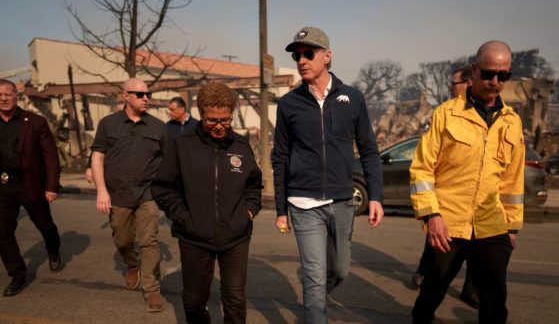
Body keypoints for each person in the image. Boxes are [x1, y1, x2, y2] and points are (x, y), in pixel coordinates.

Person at [272, 27, 384, 323]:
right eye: (297, 55)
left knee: (339, 271)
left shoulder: (353, 98)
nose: (301, 60)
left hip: (342, 202)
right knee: (314, 277)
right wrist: (281, 208)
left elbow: (369, 150)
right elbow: (279, 157)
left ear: (327, 56)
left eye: (309, 53)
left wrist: (376, 197)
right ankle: (315, 309)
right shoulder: (288, 104)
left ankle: (315, 301)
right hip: (303, 204)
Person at [410, 41, 524, 324]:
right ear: (474, 70)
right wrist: (431, 215)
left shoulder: (512, 122)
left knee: (494, 303)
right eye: (488, 74)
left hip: (492, 225)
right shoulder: (445, 114)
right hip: (449, 224)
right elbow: (422, 168)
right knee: (431, 295)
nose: (495, 82)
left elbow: (513, 180)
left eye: (503, 75)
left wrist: (512, 227)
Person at [151, 82, 262, 323]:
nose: (220, 126)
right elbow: (162, 187)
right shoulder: (182, 145)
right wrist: (183, 216)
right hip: (194, 237)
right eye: (213, 120)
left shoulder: (241, 146)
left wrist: (248, 213)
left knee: (235, 300)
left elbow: (254, 185)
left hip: (235, 236)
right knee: (193, 302)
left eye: (225, 119)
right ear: (202, 114)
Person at [91, 78, 168, 312]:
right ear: (126, 96)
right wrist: (101, 191)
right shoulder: (108, 124)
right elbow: (97, 157)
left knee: (149, 241)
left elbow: (168, 161)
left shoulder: (158, 126)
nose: (146, 98)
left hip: (147, 193)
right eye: (139, 94)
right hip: (118, 193)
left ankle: (152, 290)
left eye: (148, 94)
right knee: (123, 240)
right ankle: (131, 264)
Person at [411, 66, 479, 309]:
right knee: (436, 254)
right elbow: (424, 162)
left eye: (455, 84)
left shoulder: (498, 117)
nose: (452, 88)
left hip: (480, 209)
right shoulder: (444, 114)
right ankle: (423, 272)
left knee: (478, 257)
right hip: (444, 202)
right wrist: (431, 210)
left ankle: (471, 290)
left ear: (469, 83)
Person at [0, 79, 63, 297]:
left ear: (17, 97)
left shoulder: (35, 122)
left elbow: (50, 156)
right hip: (3, 186)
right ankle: (18, 275)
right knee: (2, 232)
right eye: (0, 95)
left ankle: (53, 249)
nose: (4, 98)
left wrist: (51, 185)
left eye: (8, 94)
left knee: (45, 225)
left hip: (31, 185)